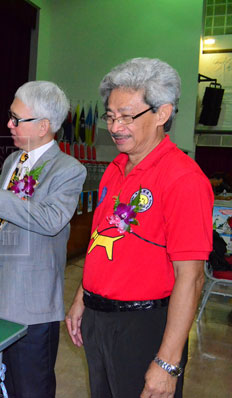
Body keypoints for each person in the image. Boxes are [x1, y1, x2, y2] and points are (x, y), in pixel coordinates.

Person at [65, 58, 213, 398]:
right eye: (111, 116)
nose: (116, 127)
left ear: (162, 114)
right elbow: (102, 241)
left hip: (145, 326)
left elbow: (191, 279)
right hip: (99, 319)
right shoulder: (115, 168)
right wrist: (81, 298)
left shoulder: (183, 179)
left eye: (127, 116)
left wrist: (167, 362)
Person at [0, 81, 86, 398]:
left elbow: (50, 218)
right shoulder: (14, 161)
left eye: (16, 119)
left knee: (30, 385)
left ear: (44, 126)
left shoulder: (68, 169)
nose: (9, 125)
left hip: (32, 301)